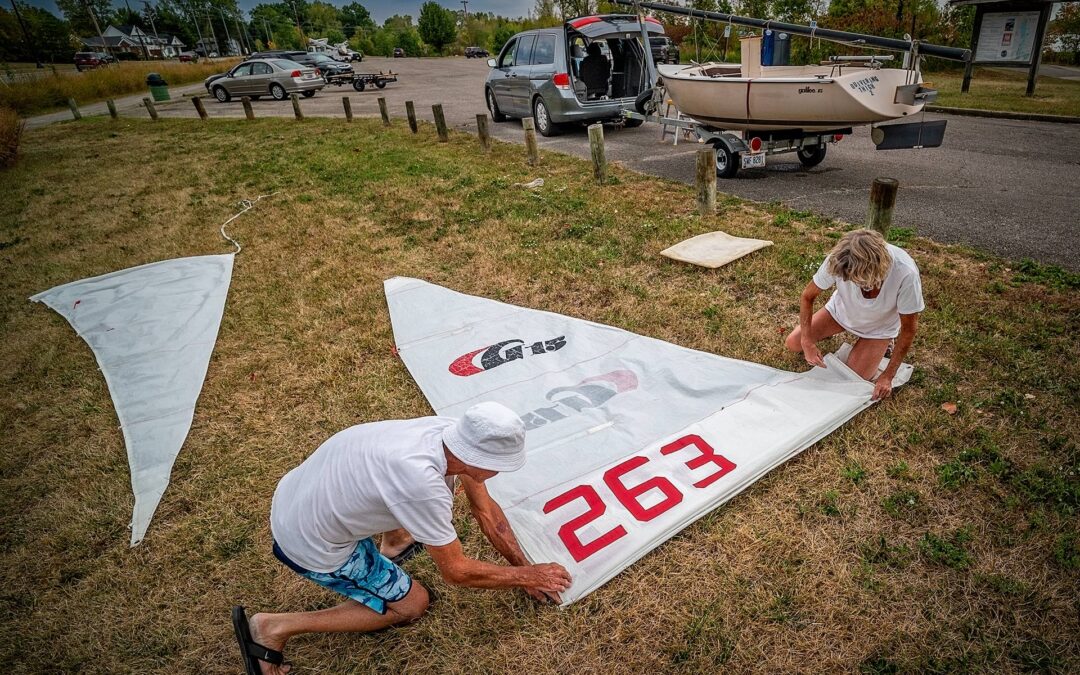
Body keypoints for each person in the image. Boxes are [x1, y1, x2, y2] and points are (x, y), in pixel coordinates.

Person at [232, 402, 572, 675]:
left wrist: (524, 565)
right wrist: (526, 577)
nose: (500, 472)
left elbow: (485, 513)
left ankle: (395, 544)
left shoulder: (449, 432)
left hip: (299, 496)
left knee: (395, 499)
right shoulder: (421, 485)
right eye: (499, 465)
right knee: (412, 605)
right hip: (311, 544)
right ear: (476, 459)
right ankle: (274, 627)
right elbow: (456, 571)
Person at [784, 229, 923, 400]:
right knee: (793, 343)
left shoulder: (906, 273)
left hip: (879, 328)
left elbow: (909, 329)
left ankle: (884, 343)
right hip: (841, 313)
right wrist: (807, 341)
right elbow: (807, 296)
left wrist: (888, 375)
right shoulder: (839, 259)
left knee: (855, 379)